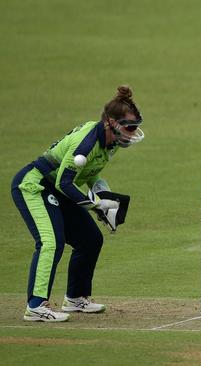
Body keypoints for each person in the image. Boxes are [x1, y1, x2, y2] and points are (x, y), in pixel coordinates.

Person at [11, 85, 144, 322]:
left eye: (135, 127)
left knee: (90, 239)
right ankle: (36, 305)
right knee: (51, 242)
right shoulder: (87, 143)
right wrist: (95, 205)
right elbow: (64, 183)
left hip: (59, 188)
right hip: (36, 185)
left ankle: (75, 298)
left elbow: (89, 173)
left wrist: (103, 192)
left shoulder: (111, 144)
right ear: (111, 123)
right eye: (130, 127)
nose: (133, 132)